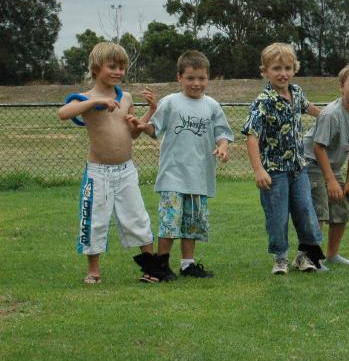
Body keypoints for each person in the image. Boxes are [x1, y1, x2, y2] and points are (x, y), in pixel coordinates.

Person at [57, 41, 162, 284]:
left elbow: (133, 133)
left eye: (122, 67)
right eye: (112, 66)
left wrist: (150, 111)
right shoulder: (86, 98)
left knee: (137, 217)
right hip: (98, 173)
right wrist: (95, 103)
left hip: (126, 170)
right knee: (95, 219)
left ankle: (150, 268)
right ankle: (94, 271)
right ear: (95, 69)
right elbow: (63, 113)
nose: (118, 72)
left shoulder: (125, 97)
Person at [135, 50, 233, 279]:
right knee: (170, 222)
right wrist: (143, 125)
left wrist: (223, 147)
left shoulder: (212, 105)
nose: (196, 83)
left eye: (201, 78)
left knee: (192, 224)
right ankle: (160, 265)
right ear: (179, 77)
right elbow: (154, 130)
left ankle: (187, 265)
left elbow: (222, 133)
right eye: (190, 78)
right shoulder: (171, 102)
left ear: (208, 78)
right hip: (174, 175)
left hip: (199, 176)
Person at [243, 42, 325, 275]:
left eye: (288, 68)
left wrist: (331, 117)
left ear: (294, 69)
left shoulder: (297, 93)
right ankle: (280, 258)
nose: (283, 73)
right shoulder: (263, 101)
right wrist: (259, 170)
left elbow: (311, 109)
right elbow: (251, 134)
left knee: (305, 212)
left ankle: (305, 255)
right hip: (274, 172)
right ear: (265, 71)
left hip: (299, 170)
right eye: (277, 68)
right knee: (277, 216)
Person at [303, 63, 349, 265]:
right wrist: (330, 181)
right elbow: (318, 147)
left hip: (334, 167)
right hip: (312, 163)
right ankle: (311, 258)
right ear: (341, 87)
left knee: (341, 209)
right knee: (320, 212)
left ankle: (332, 255)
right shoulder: (331, 114)